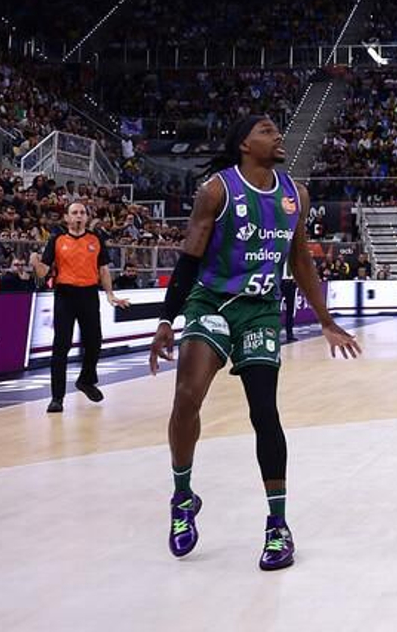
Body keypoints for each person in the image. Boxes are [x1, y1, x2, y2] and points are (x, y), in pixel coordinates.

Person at [148, 115, 362, 570]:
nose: (277, 135)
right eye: (266, 130)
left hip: (262, 308)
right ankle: (183, 497)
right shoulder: (217, 191)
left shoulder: (294, 195)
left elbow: (301, 261)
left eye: (276, 130)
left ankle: (277, 526)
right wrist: (168, 318)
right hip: (213, 302)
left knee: (265, 412)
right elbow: (188, 259)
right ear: (244, 143)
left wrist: (326, 320)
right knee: (187, 397)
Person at [33, 200, 128, 413]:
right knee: (61, 347)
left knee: (94, 342)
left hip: (89, 294)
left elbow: (103, 270)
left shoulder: (96, 239)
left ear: (86, 217)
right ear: (67, 217)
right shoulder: (57, 239)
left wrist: (110, 294)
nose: (78, 216)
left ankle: (86, 380)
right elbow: (42, 272)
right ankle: (57, 398)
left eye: (82, 212)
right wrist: (35, 262)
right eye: (74, 212)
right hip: (65, 295)